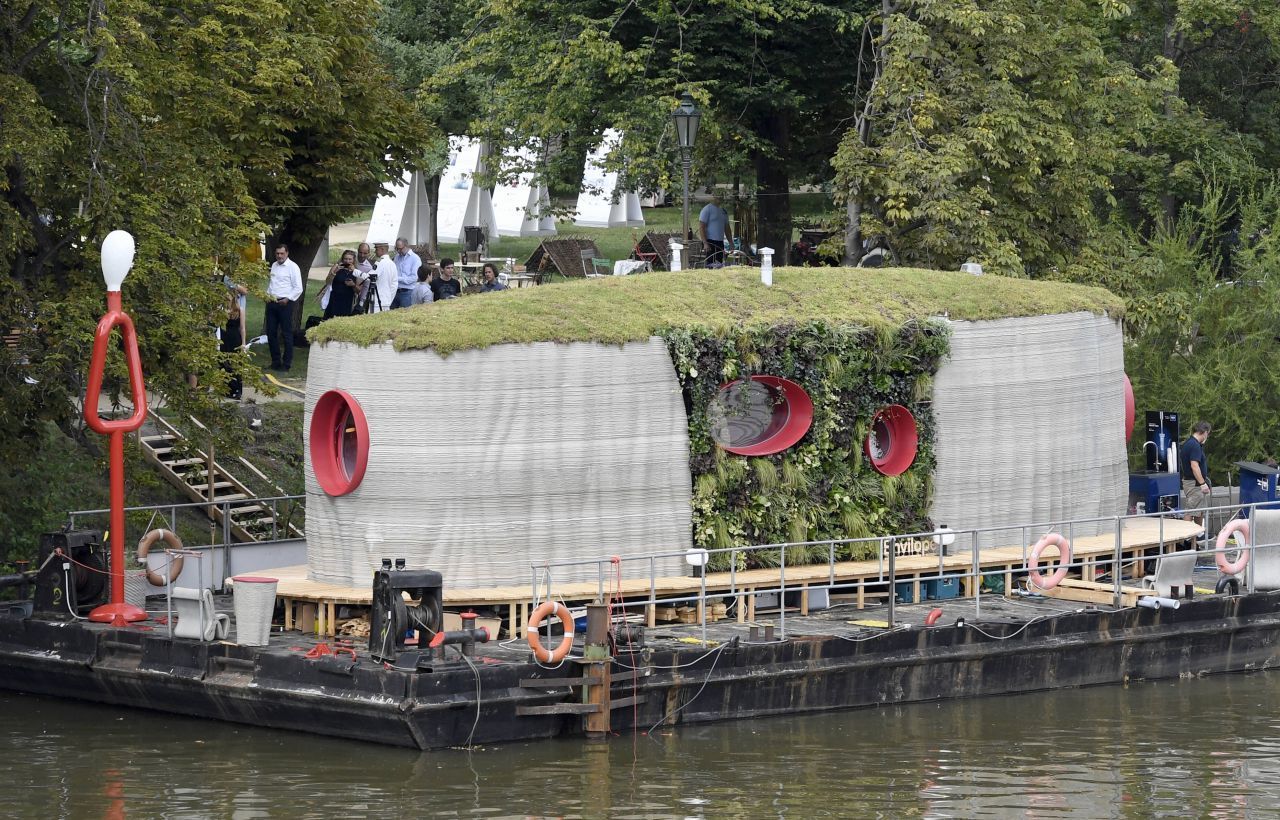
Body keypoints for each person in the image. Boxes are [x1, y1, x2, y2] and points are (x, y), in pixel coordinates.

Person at [265, 244, 303, 371]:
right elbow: (272, 283)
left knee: (286, 333)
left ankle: (286, 364)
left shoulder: (293, 267)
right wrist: (267, 295)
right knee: (271, 333)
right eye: (277, 254)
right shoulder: (274, 265)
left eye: (282, 253)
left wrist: (288, 299)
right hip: (272, 302)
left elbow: (298, 287)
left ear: (287, 253)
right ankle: (275, 361)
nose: (279, 256)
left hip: (285, 303)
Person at [1180, 421, 1212, 525]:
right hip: (1194, 484)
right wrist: (1202, 484)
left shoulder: (1190, 443)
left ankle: (1197, 536)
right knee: (1190, 510)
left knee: (1200, 510)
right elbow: (1194, 466)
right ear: (1205, 432)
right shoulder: (1194, 445)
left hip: (1194, 482)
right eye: (1208, 433)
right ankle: (1186, 539)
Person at [321, 250, 360, 319]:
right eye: (345, 259)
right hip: (334, 298)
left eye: (350, 259)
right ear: (342, 259)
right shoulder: (336, 267)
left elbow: (358, 290)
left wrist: (353, 285)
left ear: (353, 260)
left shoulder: (356, 271)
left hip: (347, 300)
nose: (347, 261)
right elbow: (327, 282)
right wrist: (334, 272)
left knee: (343, 321)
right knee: (330, 319)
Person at [219, 295, 244, 399]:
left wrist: (243, 342)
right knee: (223, 362)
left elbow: (242, 328)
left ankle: (237, 389)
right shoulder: (220, 309)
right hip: (223, 337)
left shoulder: (239, 310)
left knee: (235, 363)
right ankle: (226, 388)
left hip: (235, 338)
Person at [698, 195, 732, 268]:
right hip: (710, 241)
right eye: (718, 196)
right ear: (713, 197)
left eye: (721, 196)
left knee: (719, 264)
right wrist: (705, 243)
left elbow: (727, 228)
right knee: (710, 263)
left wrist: (731, 242)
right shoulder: (707, 209)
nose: (720, 198)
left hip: (720, 242)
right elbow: (701, 227)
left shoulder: (723, 211)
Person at [392, 237, 421, 309]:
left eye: (400, 248)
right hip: (395, 290)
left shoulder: (415, 258)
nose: (398, 251)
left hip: (407, 292)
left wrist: (397, 278)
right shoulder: (397, 257)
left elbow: (414, 278)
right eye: (397, 248)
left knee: (405, 314)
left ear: (406, 246)